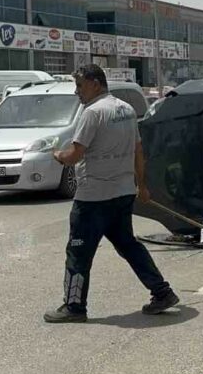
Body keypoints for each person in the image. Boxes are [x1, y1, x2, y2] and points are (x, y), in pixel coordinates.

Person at [43, 64, 178, 323]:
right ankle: (162, 292)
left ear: (95, 83)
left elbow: (75, 155)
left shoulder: (92, 113)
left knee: (78, 252)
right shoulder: (126, 109)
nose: (77, 91)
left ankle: (74, 307)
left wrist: (58, 155)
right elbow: (138, 151)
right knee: (128, 245)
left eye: (80, 85)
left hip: (93, 198)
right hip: (122, 194)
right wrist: (142, 185)